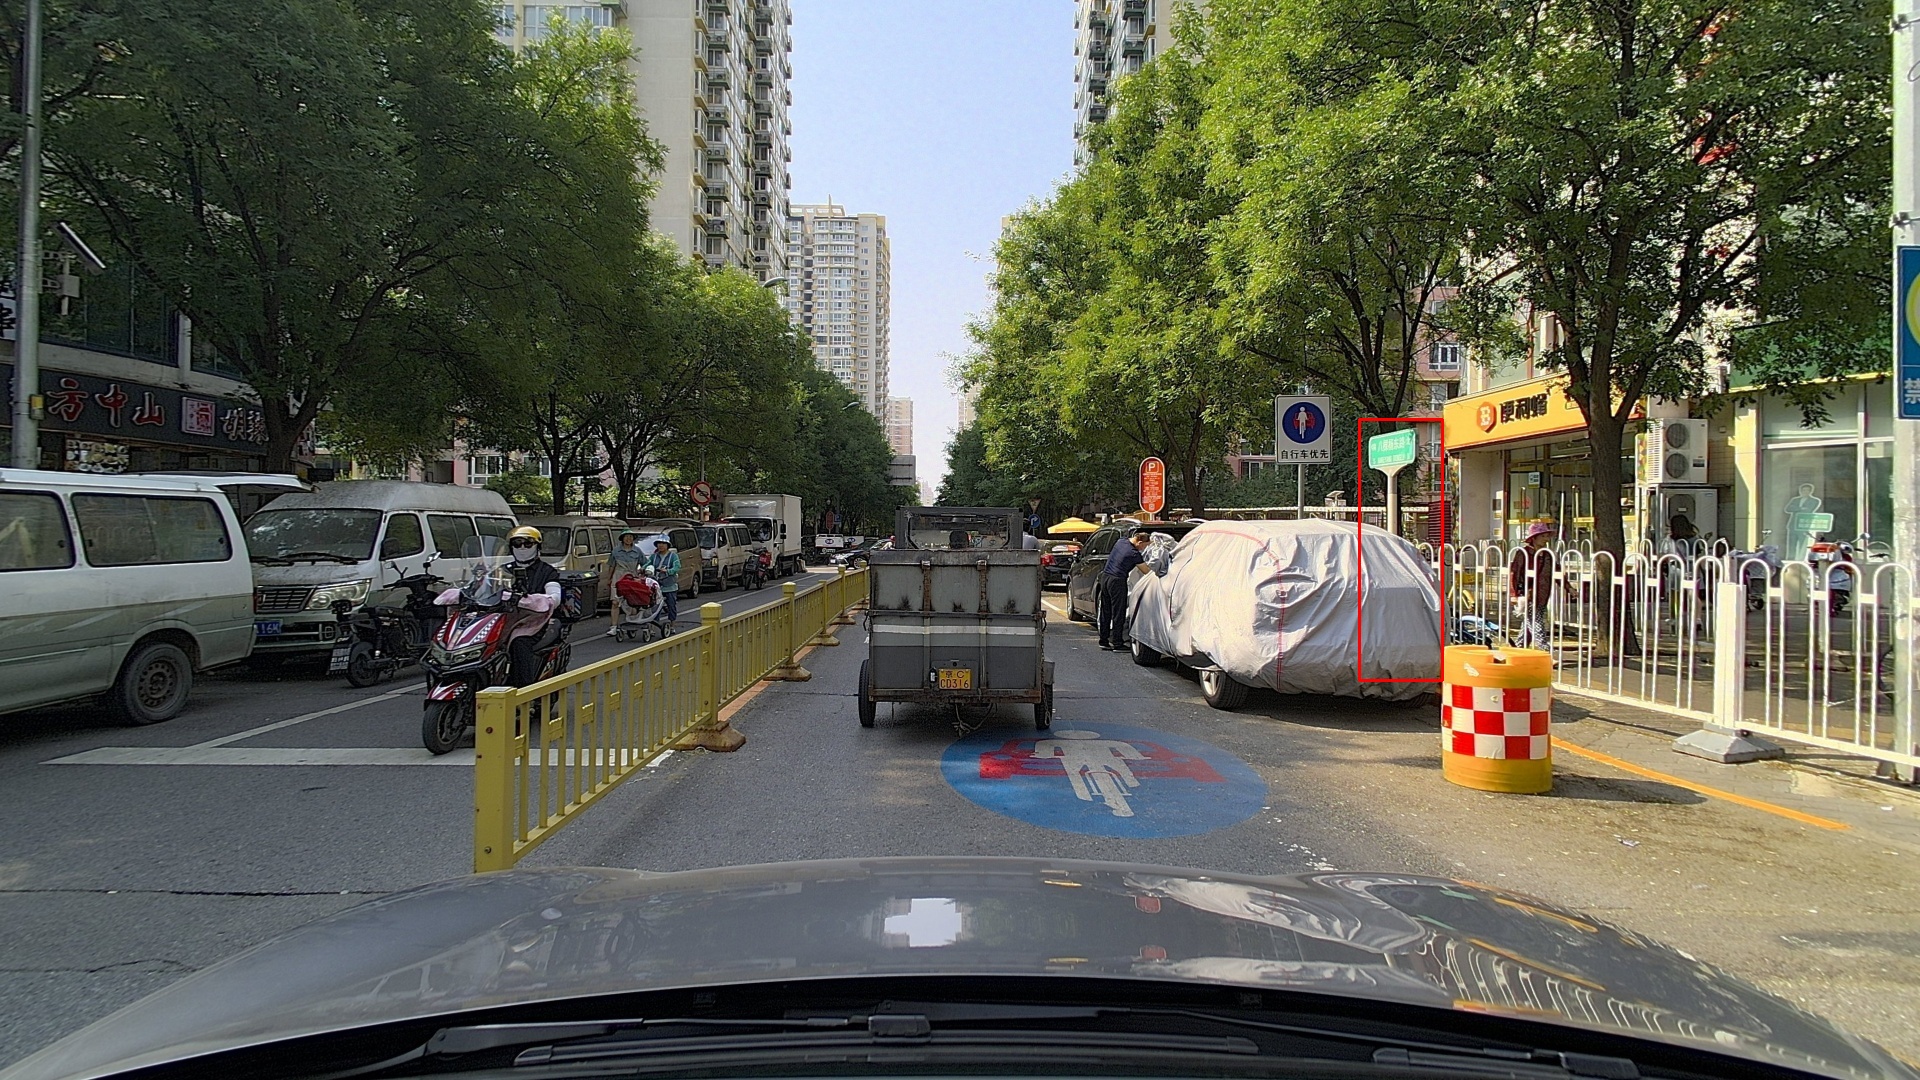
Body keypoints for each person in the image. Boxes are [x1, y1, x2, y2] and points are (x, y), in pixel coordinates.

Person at [502, 525, 563, 687]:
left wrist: (545, 600)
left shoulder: (547, 571)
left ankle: (524, 690)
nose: (522, 547)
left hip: (534, 622)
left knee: (519, 643)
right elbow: (484, 589)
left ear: (537, 546)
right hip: (504, 620)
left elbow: (554, 594)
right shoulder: (503, 570)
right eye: (517, 543)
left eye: (528, 543)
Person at [1097, 528, 1151, 651]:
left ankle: (1103, 640)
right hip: (1117, 581)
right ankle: (1117, 643)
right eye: (1144, 546)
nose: (1144, 549)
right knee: (1118, 612)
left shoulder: (1121, 541)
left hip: (1105, 577)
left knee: (1106, 611)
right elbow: (1146, 571)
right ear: (1139, 542)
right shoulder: (1133, 554)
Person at [1509, 522, 1556, 651]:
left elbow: (1556, 571)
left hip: (1542, 594)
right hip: (1527, 594)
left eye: (1547, 536)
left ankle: (1519, 648)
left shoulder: (1547, 555)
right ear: (1534, 538)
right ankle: (1545, 649)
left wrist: (1569, 588)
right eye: (1543, 536)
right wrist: (1514, 594)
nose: (1546, 539)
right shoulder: (1523, 553)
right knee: (1536, 622)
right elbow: (1514, 574)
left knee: (1529, 623)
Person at [605, 530, 648, 637]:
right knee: (615, 602)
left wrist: (642, 572)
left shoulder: (637, 551)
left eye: (631, 537)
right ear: (622, 538)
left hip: (632, 577)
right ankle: (613, 627)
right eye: (626, 536)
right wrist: (609, 579)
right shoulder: (616, 551)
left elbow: (645, 563)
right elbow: (611, 566)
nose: (629, 539)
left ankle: (632, 623)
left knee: (632, 602)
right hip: (618, 577)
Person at [649, 537, 682, 623]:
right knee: (655, 606)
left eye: (663, 543)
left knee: (671, 605)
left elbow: (677, 567)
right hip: (657, 586)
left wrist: (668, 571)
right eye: (659, 543)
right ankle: (654, 624)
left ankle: (672, 624)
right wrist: (643, 569)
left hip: (670, 586)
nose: (661, 545)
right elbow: (647, 564)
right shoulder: (654, 556)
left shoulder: (673, 556)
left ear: (667, 545)